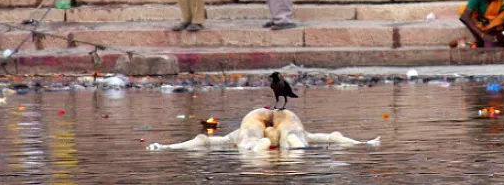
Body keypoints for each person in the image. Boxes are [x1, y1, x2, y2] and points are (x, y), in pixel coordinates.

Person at [147, 108, 380, 152]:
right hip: (277, 118)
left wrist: (168, 147)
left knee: (249, 146)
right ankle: (272, 145)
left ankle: (262, 146)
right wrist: (363, 144)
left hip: (259, 117)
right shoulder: (290, 130)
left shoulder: (240, 134)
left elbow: (204, 142)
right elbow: (333, 138)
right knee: (295, 142)